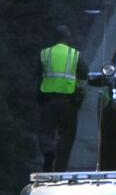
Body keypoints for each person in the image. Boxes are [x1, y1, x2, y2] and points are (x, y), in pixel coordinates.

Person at [37, 25, 87, 171]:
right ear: (68, 38)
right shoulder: (74, 54)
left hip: (48, 100)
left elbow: (38, 75)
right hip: (69, 102)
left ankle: (48, 152)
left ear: (54, 38)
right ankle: (60, 169)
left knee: (45, 131)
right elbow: (85, 73)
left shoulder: (45, 54)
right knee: (66, 136)